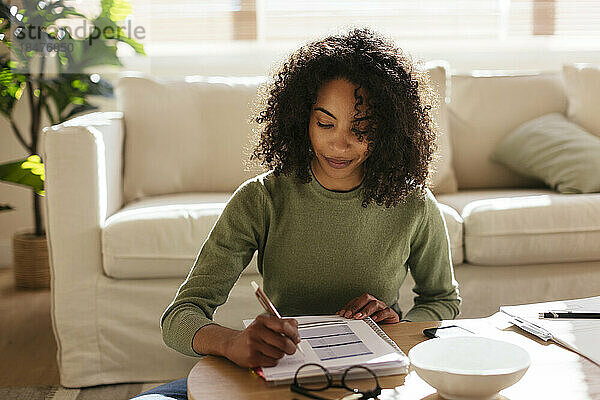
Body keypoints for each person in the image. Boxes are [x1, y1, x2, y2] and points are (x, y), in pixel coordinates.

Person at [132, 26, 460, 399]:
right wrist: (233, 343)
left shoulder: (413, 203)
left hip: (371, 380)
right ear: (302, 119)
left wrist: (397, 327)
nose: (339, 143)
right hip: (278, 377)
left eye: (361, 129)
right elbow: (180, 317)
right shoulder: (261, 199)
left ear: (387, 130)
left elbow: (442, 301)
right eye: (325, 123)